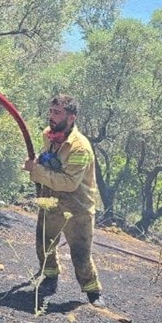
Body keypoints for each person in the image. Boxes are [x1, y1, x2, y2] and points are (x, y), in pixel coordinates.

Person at [22, 94, 104, 307]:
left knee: (80, 254)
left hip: (77, 209)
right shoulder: (47, 136)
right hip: (50, 202)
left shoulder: (80, 148)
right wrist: (40, 162)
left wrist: (36, 170)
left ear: (72, 117)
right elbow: (47, 161)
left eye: (57, 113)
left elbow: (69, 183)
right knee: (44, 244)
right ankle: (50, 278)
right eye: (51, 111)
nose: (51, 116)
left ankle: (93, 292)